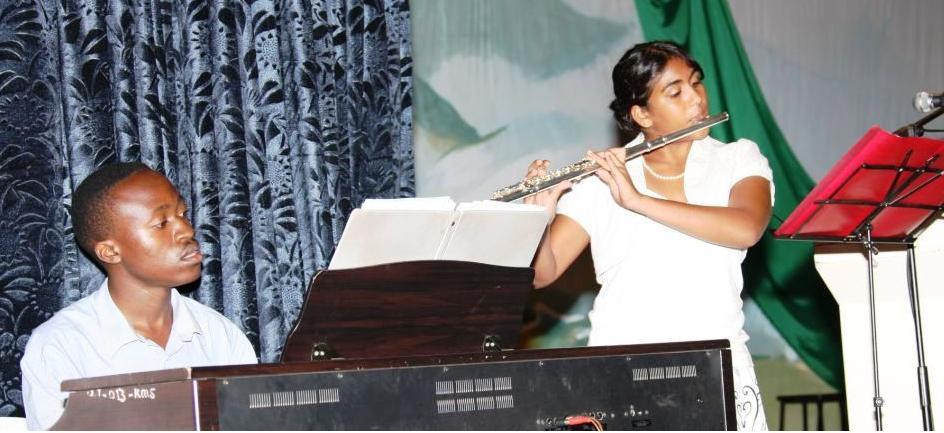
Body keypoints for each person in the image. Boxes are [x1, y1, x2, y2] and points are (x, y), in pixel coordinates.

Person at [526, 41, 773, 431]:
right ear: (641, 113)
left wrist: (638, 200)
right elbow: (544, 272)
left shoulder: (738, 159)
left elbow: (745, 228)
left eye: (696, 83)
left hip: (715, 366)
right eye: (675, 92)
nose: (696, 99)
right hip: (622, 368)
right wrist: (539, 221)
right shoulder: (602, 179)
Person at [20, 162, 257, 430]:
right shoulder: (60, 347)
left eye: (183, 213)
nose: (187, 231)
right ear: (110, 252)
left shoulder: (219, 335)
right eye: (162, 223)